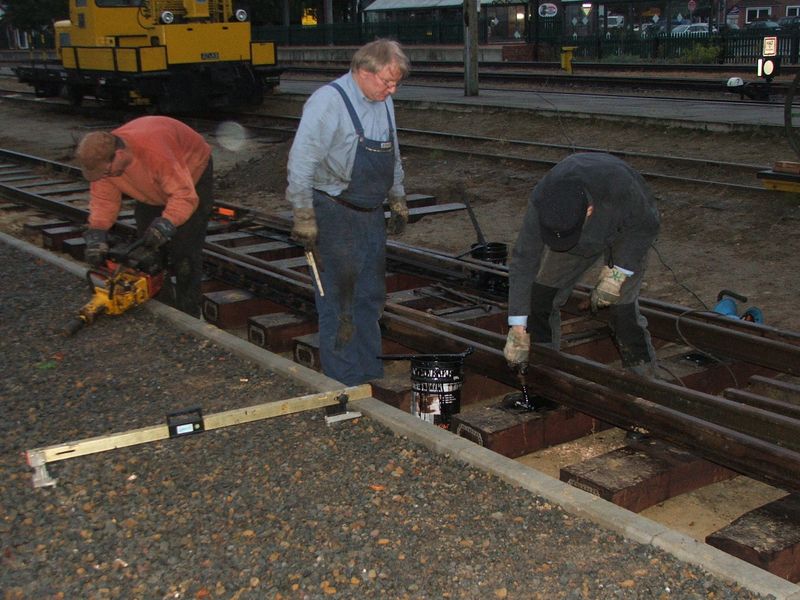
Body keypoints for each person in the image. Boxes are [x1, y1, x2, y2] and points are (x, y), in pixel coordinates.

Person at [285, 39, 410, 386]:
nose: (392, 88)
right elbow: (301, 161)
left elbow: (393, 149)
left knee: (370, 297)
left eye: (396, 82)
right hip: (334, 212)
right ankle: (344, 384)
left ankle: (371, 374)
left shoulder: (383, 101)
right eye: (387, 81)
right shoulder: (328, 103)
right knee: (339, 302)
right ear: (362, 71)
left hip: (370, 213)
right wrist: (303, 214)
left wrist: (397, 196)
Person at [504, 152, 661, 378]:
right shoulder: (543, 200)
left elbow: (647, 226)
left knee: (622, 311)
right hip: (575, 239)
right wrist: (517, 325)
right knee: (540, 299)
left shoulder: (621, 189)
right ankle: (545, 371)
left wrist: (618, 273)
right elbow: (524, 260)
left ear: (588, 210)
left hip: (626, 235)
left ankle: (645, 379)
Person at [75, 116, 213, 318]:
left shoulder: (154, 153)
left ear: (119, 154)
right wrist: (97, 232)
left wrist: (166, 224)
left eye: (106, 171)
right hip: (152, 185)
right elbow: (104, 202)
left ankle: (189, 313)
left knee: (185, 254)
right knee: (146, 253)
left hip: (191, 174)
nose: (105, 176)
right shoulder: (105, 167)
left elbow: (184, 196)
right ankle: (162, 307)